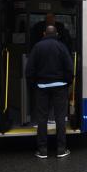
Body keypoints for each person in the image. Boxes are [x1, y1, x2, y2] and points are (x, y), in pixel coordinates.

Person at [26, 25, 73, 159]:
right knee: (60, 118)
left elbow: (29, 70)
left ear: (43, 33)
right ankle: (61, 149)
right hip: (60, 86)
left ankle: (42, 150)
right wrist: (67, 83)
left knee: (42, 118)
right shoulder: (62, 47)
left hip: (42, 86)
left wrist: (33, 85)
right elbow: (69, 68)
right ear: (57, 34)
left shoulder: (37, 47)